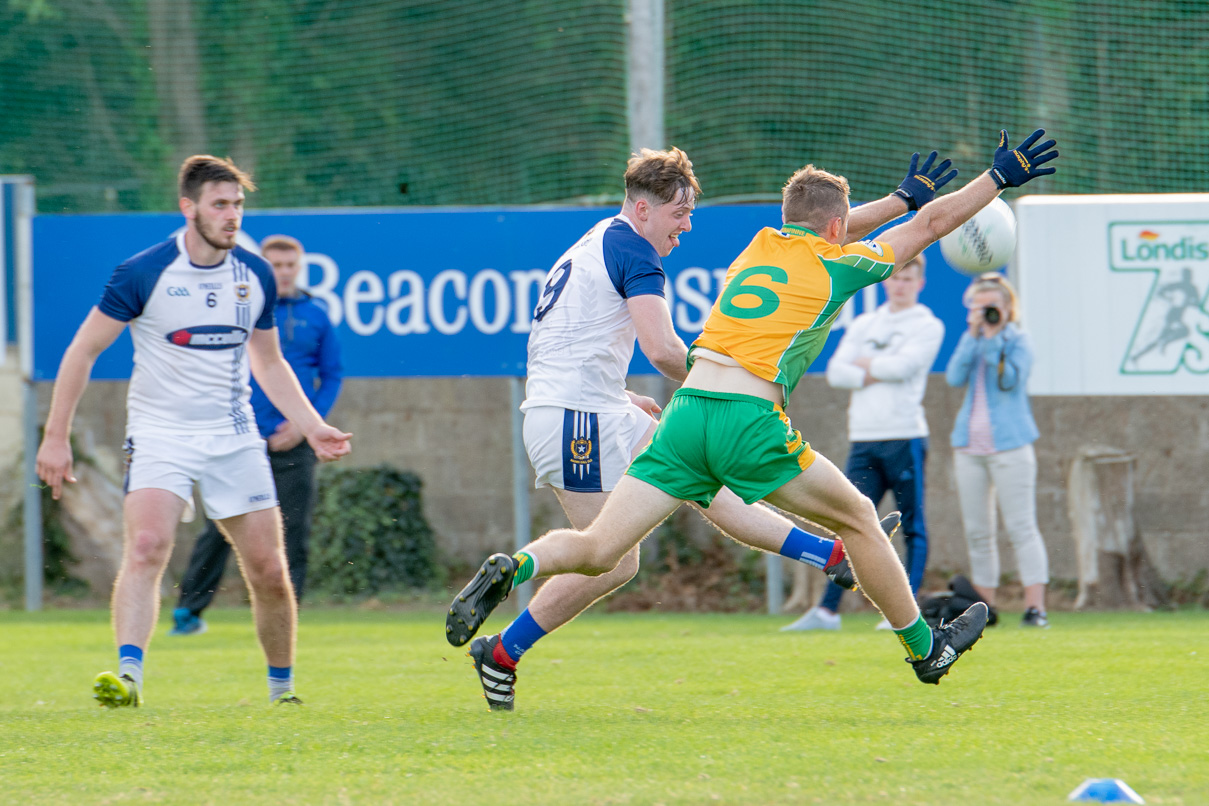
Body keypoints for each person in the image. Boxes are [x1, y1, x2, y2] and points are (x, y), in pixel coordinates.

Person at [447, 129, 1059, 692]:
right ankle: (927, 650)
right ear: (835, 230)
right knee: (861, 520)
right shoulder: (837, 263)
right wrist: (997, 178)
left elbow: (845, 223)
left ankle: (517, 562)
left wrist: (898, 198)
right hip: (742, 416)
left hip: (686, 416)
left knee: (601, 548)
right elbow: (929, 227)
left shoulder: (759, 246)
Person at [35, 155, 352, 707]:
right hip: (160, 434)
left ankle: (283, 692)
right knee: (148, 547)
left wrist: (313, 425)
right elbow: (82, 351)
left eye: (238, 205)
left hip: (233, 436)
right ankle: (128, 679)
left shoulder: (252, 274)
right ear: (189, 208)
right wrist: (56, 436)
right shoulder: (144, 272)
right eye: (220, 205)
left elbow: (270, 362)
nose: (232, 216)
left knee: (270, 571)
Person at [171, 234, 343, 635]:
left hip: (293, 444)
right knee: (218, 528)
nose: (282, 274)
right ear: (262, 268)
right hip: (240, 439)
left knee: (293, 531)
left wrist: (306, 424)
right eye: (275, 266)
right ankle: (188, 612)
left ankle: (287, 616)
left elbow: (332, 374)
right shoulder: (240, 305)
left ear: (299, 267)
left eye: (289, 266)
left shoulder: (316, 314)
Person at [783, 253, 943, 632]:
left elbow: (906, 368)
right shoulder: (866, 322)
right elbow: (837, 372)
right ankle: (827, 612)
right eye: (896, 278)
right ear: (887, 281)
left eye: (909, 279)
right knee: (849, 522)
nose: (900, 284)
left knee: (912, 527)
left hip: (905, 436)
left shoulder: (927, 325)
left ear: (919, 284)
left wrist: (866, 364)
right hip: (864, 438)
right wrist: (879, 366)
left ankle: (907, 612)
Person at [945, 272, 1050, 627]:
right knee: (978, 531)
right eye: (978, 305)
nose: (984, 311)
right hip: (968, 448)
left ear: (1006, 308)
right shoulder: (971, 339)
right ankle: (983, 609)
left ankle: (1036, 607)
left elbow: (1009, 381)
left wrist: (992, 339)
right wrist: (972, 336)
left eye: (991, 305)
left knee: (1021, 526)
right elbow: (954, 378)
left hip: (1011, 447)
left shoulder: (1018, 340)